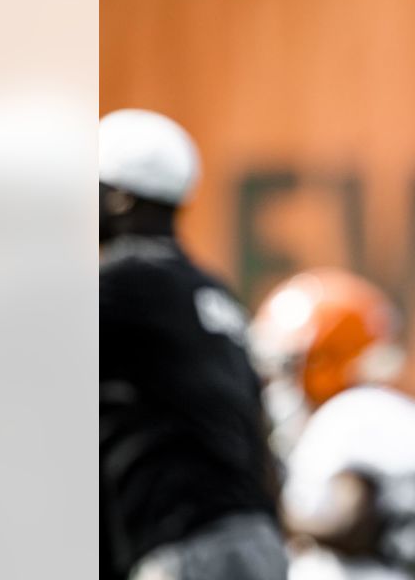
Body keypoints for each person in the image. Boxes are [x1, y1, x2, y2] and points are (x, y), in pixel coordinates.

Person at [99, 109, 286, 580]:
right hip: (254, 539)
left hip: (187, 549)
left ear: (120, 199)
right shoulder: (211, 292)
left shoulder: (122, 285)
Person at [249, 268, 415, 580]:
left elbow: (351, 526)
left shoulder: (351, 416)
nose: (278, 383)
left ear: (327, 356)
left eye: (288, 365)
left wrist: (267, 504)